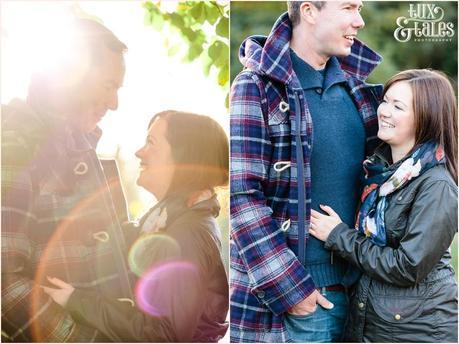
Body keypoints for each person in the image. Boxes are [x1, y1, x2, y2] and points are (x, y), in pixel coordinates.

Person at [230, 1, 383, 342]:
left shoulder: (361, 93)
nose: (358, 21)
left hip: (361, 298)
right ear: (310, 11)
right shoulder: (255, 86)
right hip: (295, 304)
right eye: (348, 8)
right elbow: (241, 196)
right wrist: (292, 290)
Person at [43, 111, 230, 342]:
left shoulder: (188, 234)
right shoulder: (165, 220)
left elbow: (162, 336)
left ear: (183, 158)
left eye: (151, 142)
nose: (139, 152)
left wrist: (78, 301)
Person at [1, 18, 134, 342]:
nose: (115, 103)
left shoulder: (82, 149)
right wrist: (80, 338)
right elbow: (5, 281)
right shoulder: (16, 147)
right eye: (108, 85)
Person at [309, 69, 458, 343]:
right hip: (378, 321)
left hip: (418, 330)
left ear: (425, 117)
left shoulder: (437, 185)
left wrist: (338, 236)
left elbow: (408, 266)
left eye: (398, 106)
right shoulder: (379, 173)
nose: (384, 111)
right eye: (385, 101)